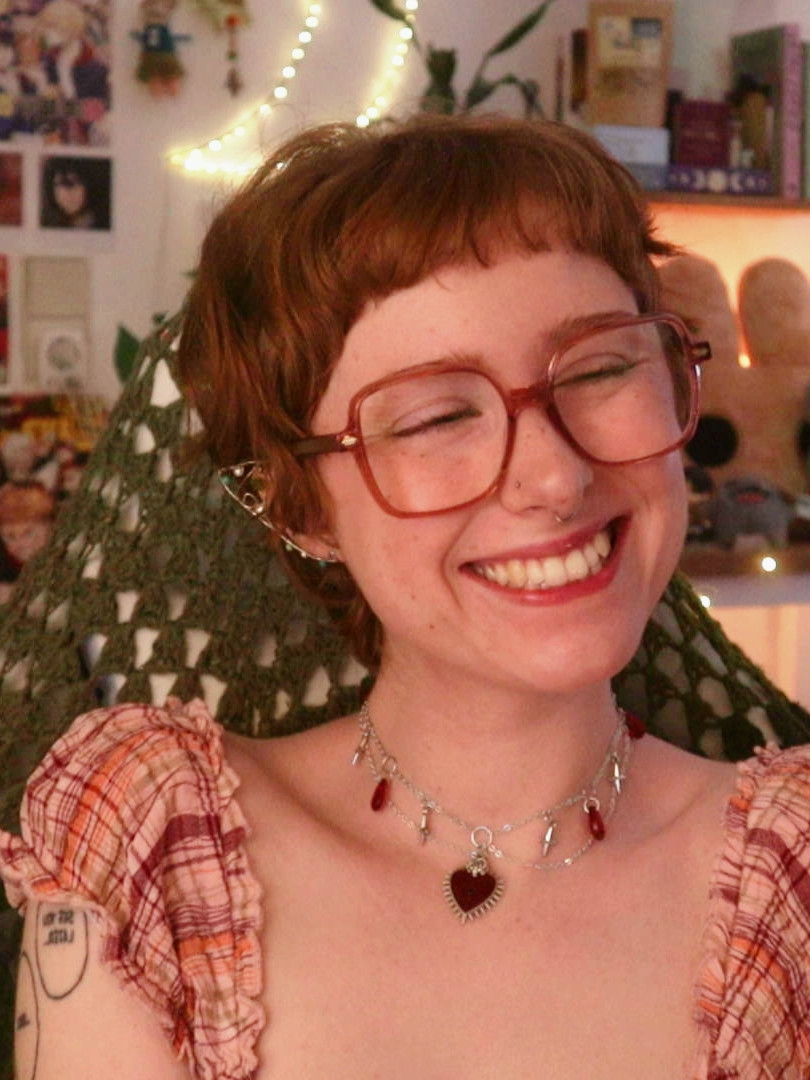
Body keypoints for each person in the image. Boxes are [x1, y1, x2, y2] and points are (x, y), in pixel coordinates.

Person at [2, 113, 809, 1079]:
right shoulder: (152, 856)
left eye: (599, 368)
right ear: (298, 507)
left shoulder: (790, 877)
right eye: (434, 417)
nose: (552, 476)